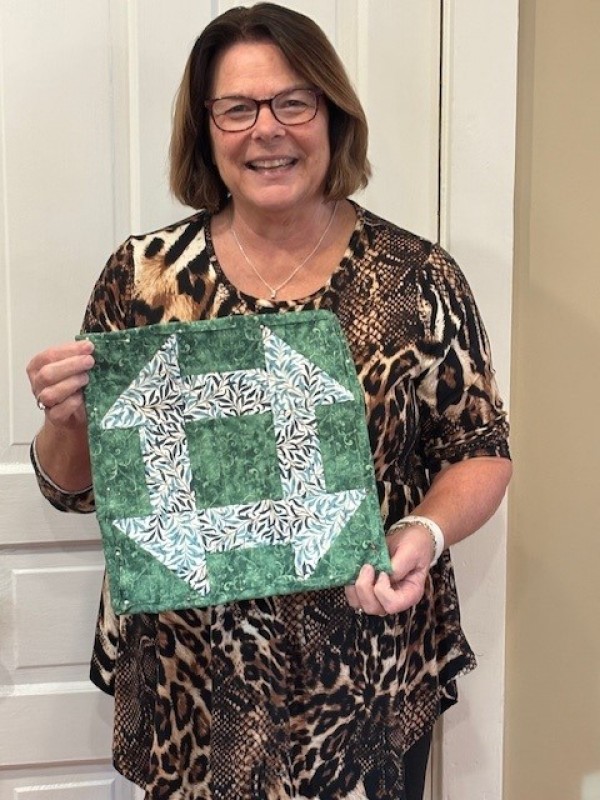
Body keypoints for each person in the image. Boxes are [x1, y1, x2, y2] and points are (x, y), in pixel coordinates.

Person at [26, 4, 512, 799]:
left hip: (363, 672)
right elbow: (72, 487)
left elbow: (480, 450)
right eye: (238, 108)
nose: (268, 130)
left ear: (332, 115)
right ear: (206, 128)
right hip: (190, 680)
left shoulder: (417, 277)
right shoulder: (143, 277)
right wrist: (64, 422)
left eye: (294, 102)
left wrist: (421, 531)